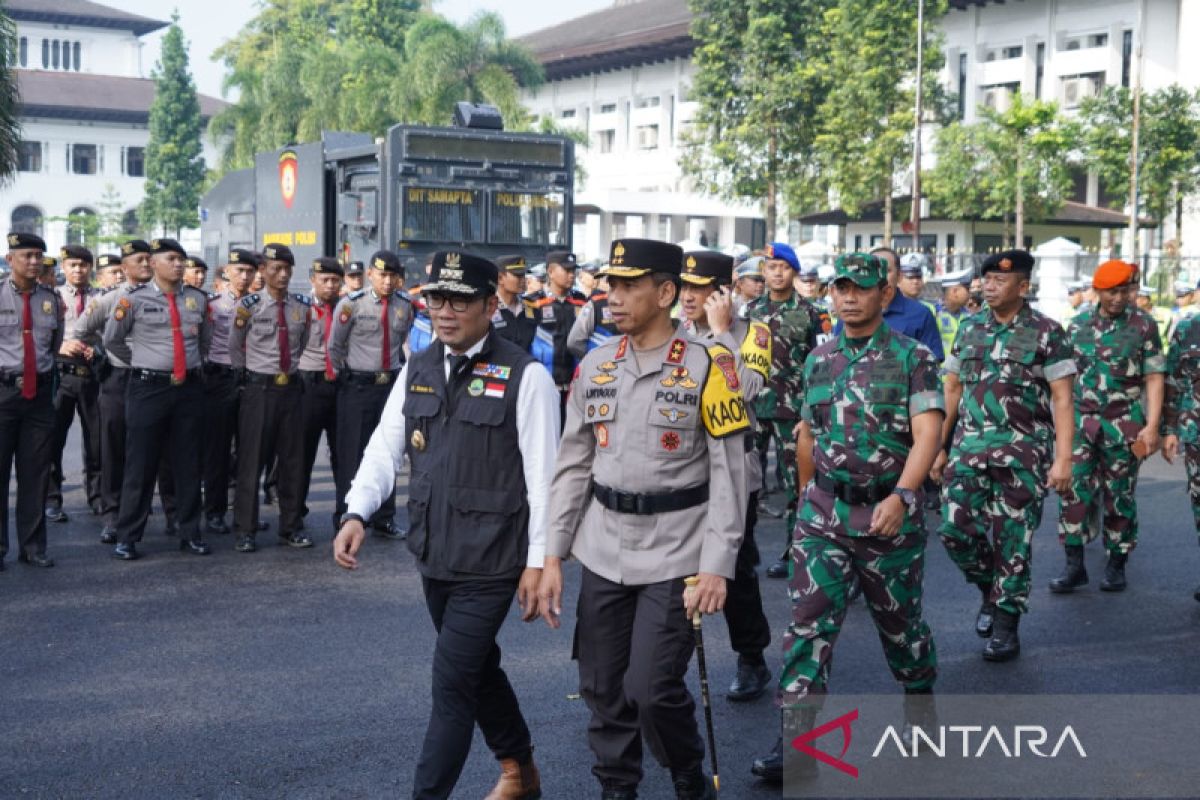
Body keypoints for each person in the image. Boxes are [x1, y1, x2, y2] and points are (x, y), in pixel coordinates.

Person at [334, 249, 558, 800]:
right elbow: (386, 447)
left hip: (494, 559)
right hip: (433, 550)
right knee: (477, 668)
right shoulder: (418, 367)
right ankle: (520, 770)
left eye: (459, 301)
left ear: (489, 305)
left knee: (452, 682)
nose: (445, 311)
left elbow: (546, 480)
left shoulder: (526, 376)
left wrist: (539, 560)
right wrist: (357, 510)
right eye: (437, 299)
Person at [539, 237, 748, 800]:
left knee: (652, 688)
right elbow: (573, 465)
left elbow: (732, 476)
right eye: (611, 284)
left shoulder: (713, 366)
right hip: (604, 545)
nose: (615, 296)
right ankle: (617, 787)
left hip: (678, 550)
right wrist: (552, 554)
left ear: (666, 293)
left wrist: (717, 565)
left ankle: (685, 769)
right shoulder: (597, 365)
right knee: (603, 686)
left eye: (630, 285)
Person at [752, 252, 943, 783]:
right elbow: (807, 437)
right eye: (841, 288)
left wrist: (904, 494)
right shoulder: (819, 359)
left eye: (861, 288)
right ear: (831, 294)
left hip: (889, 514)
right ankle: (798, 744)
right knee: (807, 628)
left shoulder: (913, 357)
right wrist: (807, 502)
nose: (849, 297)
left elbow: (927, 432)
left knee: (901, 629)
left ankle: (919, 696)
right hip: (825, 514)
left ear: (884, 294)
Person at [931, 249, 1076, 661]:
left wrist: (1064, 458)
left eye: (998, 280)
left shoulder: (1048, 331)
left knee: (1014, 539)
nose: (987, 286)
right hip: (968, 450)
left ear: (1023, 287)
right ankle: (990, 591)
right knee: (953, 530)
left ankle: (1007, 625)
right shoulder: (970, 327)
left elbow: (1063, 399)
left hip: (1024, 455)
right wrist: (939, 447)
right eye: (986, 279)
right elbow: (952, 389)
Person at [678, 250, 774, 702]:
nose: (688, 296)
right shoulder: (672, 334)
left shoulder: (753, 333)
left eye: (699, 288)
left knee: (733, 566)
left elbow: (747, 390)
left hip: (737, 471)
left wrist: (719, 336)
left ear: (723, 291)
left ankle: (751, 655)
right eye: (684, 287)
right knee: (674, 564)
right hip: (681, 469)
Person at [1051, 260, 1163, 594]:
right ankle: (1074, 565)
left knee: (1120, 495)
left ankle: (1116, 563)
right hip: (1082, 424)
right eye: (1111, 291)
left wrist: (1153, 426)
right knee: (1072, 491)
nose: (1118, 298)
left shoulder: (1144, 326)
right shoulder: (1077, 326)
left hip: (1124, 424)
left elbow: (1154, 377)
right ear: (1097, 291)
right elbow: (1064, 380)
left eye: (1125, 291)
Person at [103, 238, 212, 561]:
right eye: (172, 259)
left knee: (188, 464)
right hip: (148, 388)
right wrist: (144, 362)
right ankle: (128, 536)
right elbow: (113, 340)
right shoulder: (133, 300)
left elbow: (204, 343)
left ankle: (190, 532)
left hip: (188, 389)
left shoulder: (197, 299)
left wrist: (187, 367)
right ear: (153, 263)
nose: (179, 265)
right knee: (141, 463)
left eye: (182, 259)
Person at [71, 239, 177, 544]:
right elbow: (80, 331)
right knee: (114, 448)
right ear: (124, 266)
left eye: (149, 259)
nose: (145, 265)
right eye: (139, 260)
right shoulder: (109, 299)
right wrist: (98, 352)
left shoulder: (166, 297)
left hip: (157, 381)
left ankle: (174, 512)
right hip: (120, 377)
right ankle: (113, 515)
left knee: (165, 450)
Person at [745, 242, 831, 579]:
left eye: (783, 267)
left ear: (793, 271)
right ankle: (741, 550)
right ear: (763, 272)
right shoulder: (748, 312)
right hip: (752, 409)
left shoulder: (813, 314)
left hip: (793, 413)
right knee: (743, 481)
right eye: (771, 267)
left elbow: (823, 366)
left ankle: (794, 550)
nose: (777, 273)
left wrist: (810, 413)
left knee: (798, 484)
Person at [228, 244, 313, 552]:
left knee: (292, 461)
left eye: (287, 269)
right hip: (258, 389)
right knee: (251, 461)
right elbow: (235, 347)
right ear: (262, 271)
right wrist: (248, 375)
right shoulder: (249, 306)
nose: (283, 274)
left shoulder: (301, 306)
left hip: (290, 387)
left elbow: (301, 343)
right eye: (276, 268)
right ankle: (245, 530)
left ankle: (291, 527)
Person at [328, 249, 412, 539]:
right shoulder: (351, 305)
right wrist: (348, 375)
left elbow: (405, 341)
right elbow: (334, 348)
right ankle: (347, 514)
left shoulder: (405, 305)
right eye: (382, 275)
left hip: (390, 385)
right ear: (370, 275)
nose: (387, 282)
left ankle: (384, 518)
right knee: (352, 452)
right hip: (358, 385)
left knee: (389, 451)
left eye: (392, 276)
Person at [0, 232, 64, 570]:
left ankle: (33, 546)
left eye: (39, 255)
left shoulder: (50, 299)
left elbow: (54, 345)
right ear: (10, 259)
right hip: (3, 391)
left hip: (38, 395)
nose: (35, 261)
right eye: (27, 255)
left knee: (36, 473)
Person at [201, 248, 258, 535]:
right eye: (239, 271)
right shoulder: (212, 304)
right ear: (227, 274)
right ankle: (214, 511)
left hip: (251, 378)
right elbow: (202, 339)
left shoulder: (261, 304)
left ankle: (247, 512)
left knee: (250, 451)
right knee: (218, 450)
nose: (244, 276)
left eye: (249, 271)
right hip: (220, 378)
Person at [47, 244, 102, 523]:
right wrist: (61, 346)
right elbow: (43, 335)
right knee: (53, 438)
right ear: (64, 268)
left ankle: (97, 496)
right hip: (62, 374)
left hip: (92, 375)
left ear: (90, 268)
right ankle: (53, 498)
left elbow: (110, 333)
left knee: (96, 441)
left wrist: (99, 349)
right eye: (73, 265)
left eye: (83, 265)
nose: (78, 270)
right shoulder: (52, 297)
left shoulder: (102, 297)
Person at [298, 257, 344, 531]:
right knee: (302, 453)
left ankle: (345, 513)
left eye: (335, 280)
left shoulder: (348, 308)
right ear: (312, 280)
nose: (330, 285)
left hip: (340, 385)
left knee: (344, 454)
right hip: (308, 384)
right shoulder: (300, 308)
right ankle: (295, 514)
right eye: (324, 280)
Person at [523, 250, 587, 419]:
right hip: (544, 385)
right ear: (550, 272)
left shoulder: (581, 301)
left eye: (574, 271)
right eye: (566, 270)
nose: (572, 275)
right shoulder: (532, 303)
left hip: (576, 385)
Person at [566, 270, 621, 359]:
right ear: (581, 278)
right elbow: (574, 342)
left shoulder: (601, 300)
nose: (595, 278)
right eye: (591, 274)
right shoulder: (580, 298)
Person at [491, 255, 535, 350]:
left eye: (523, 275)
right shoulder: (487, 308)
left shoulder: (531, 307)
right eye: (518, 275)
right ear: (500, 278)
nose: (523, 280)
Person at [935, 267, 973, 360]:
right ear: (955, 291)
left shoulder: (970, 316)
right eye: (967, 289)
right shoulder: (934, 314)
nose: (970, 293)